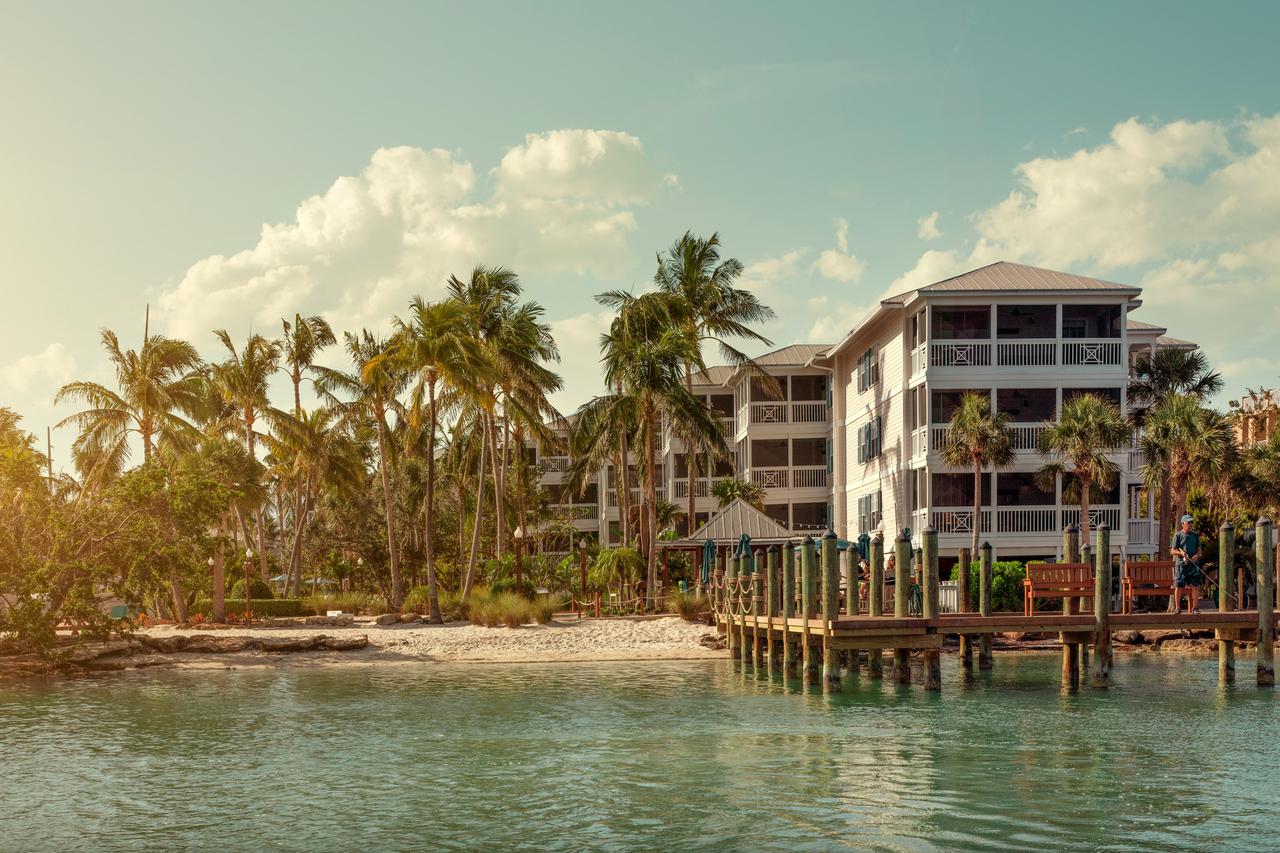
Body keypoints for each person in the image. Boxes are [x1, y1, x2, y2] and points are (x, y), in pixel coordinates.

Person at [1170, 514, 1203, 614]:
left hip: (1193, 565)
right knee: (1178, 586)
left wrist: (1197, 555)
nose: (1191, 524)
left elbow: (1199, 550)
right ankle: (1177, 608)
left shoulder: (1195, 535)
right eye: (1189, 523)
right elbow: (1172, 551)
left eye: (1191, 522)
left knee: (1195, 586)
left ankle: (1195, 608)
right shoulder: (1178, 535)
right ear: (1183, 524)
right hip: (1181, 565)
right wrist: (1181, 553)